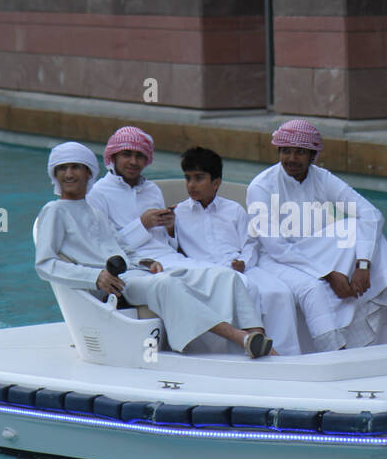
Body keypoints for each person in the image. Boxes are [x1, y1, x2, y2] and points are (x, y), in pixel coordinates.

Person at [35, 141, 273, 357]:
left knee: (225, 277)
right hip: (115, 285)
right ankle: (241, 338)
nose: (69, 174)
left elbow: (123, 249)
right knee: (166, 284)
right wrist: (95, 277)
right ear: (54, 174)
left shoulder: (95, 211)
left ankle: (261, 340)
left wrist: (147, 263)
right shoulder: (54, 211)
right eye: (62, 168)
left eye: (76, 167)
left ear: (88, 172)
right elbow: (45, 265)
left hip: (135, 273)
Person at [247, 119, 387, 351]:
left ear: (312, 156)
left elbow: (371, 214)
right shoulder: (260, 187)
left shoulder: (321, 177)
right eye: (286, 151)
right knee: (312, 288)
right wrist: (327, 274)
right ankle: (335, 349)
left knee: (358, 226)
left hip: (313, 247)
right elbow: (275, 246)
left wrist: (363, 265)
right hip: (274, 259)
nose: (292, 159)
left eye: (300, 152)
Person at [173, 146, 303, 356]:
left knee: (279, 293)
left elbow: (251, 242)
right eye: (188, 178)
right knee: (244, 294)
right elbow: (172, 249)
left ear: (216, 182)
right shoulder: (178, 214)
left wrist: (244, 262)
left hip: (243, 267)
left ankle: (287, 355)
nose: (191, 185)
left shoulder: (233, 210)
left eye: (199, 178)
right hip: (209, 272)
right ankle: (248, 352)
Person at [87, 125, 189, 267]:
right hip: (136, 266)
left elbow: (166, 242)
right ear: (113, 156)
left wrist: (170, 227)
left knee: (220, 274)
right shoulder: (98, 193)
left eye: (139, 156)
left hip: (171, 258)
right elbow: (104, 247)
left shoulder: (152, 190)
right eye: (127, 154)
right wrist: (142, 224)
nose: (133, 162)